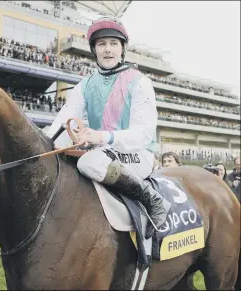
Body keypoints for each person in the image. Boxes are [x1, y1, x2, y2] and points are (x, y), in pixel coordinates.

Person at [46, 17, 171, 239]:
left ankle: (153, 199)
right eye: (101, 44)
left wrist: (101, 137)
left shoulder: (139, 81)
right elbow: (62, 120)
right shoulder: (84, 85)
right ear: (94, 49)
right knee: (55, 141)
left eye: (114, 43)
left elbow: (143, 134)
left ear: (123, 48)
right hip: (103, 152)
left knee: (88, 161)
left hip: (136, 155)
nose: (108, 49)